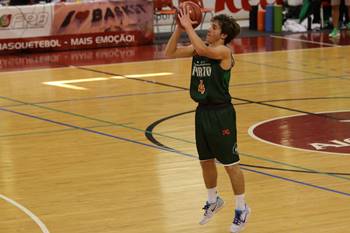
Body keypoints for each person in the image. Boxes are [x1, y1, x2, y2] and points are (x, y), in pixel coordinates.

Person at [164, 9, 251, 233]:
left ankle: (242, 208)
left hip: (221, 114)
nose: (208, 30)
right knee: (205, 161)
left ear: (223, 35)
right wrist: (179, 28)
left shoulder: (223, 52)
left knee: (231, 164)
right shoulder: (200, 48)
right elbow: (169, 53)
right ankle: (214, 200)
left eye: (213, 28)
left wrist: (189, 27)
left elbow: (202, 49)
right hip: (202, 112)